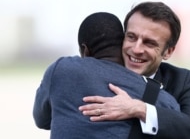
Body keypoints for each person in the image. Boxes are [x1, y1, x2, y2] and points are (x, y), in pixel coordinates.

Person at [33, 12, 180, 139]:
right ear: (123, 43)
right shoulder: (162, 99)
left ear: (85, 50)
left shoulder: (61, 69)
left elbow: (42, 120)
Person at [79, 1, 190, 139]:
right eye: (131, 37)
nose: (136, 49)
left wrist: (139, 109)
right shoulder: (95, 72)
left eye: (149, 43)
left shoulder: (182, 80)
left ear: (168, 51)